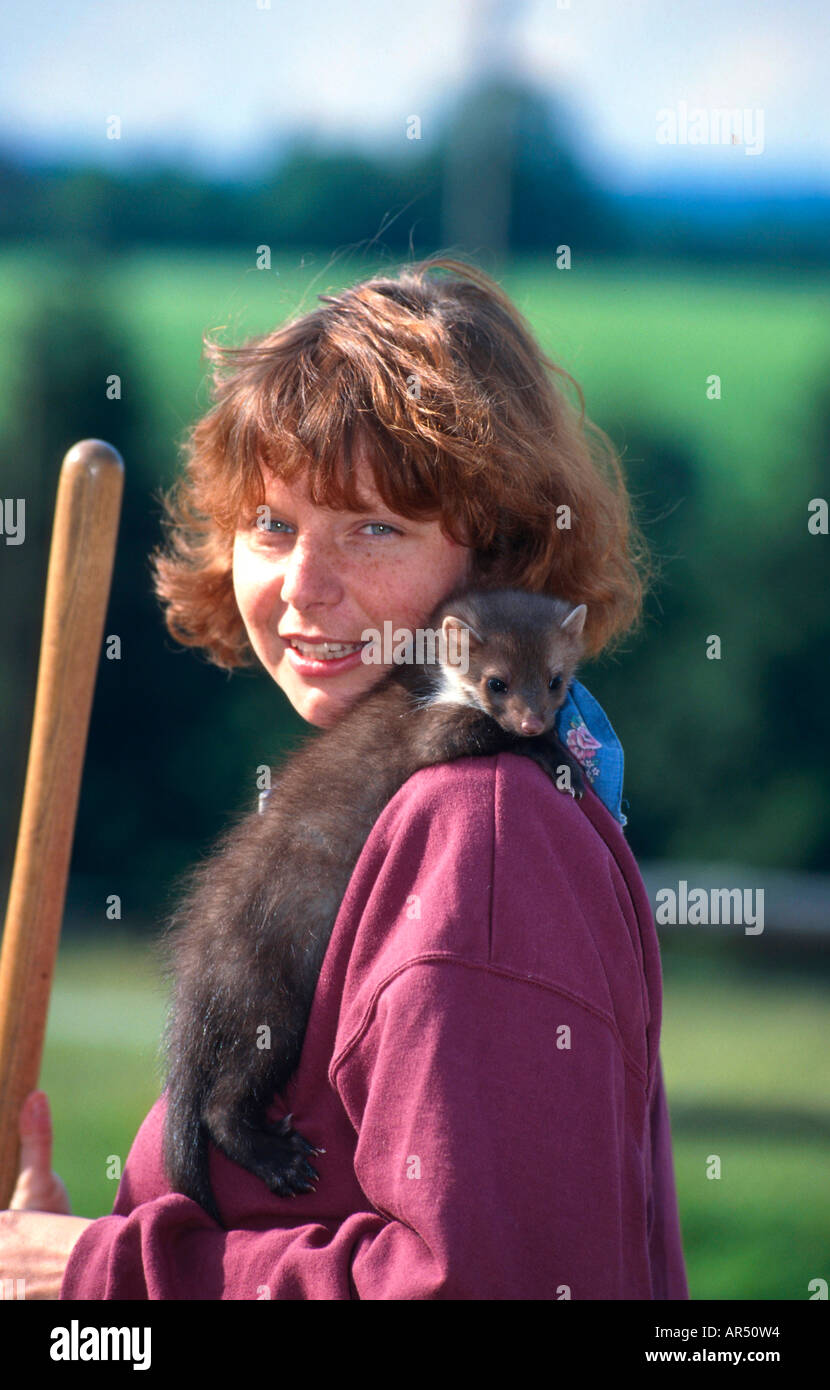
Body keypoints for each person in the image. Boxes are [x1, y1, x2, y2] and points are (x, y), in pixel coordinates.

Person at [0, 256, 688, 1299]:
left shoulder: (486, 834)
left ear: (494, 559)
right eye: (272, 525)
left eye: (375, 528)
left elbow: (482, 1286)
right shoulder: (392, 793)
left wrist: (102, 1275)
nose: (306, 588)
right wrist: (64, 1275)